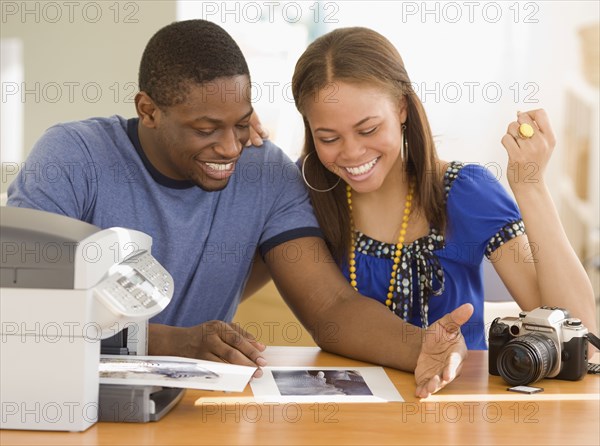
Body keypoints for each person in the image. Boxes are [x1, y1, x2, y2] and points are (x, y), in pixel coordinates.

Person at [6, 19, 473, 399]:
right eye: (207, 128)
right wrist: (173, 342)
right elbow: (21, 312)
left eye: (241, 122)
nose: (230, 147)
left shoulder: (265, 173)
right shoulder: (72, 157)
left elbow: (332, 304)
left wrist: (420, 347)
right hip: (63, 398)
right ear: (148, 111)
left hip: (193, 410)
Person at [290, 26, 598, 350]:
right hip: (347, 399)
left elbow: (581, 338)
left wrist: (531, 186)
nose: (351, 153)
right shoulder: (300, 191)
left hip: (456, 399)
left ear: (402, 108)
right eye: (329, 138)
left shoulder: (467, 192)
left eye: (368, 129)